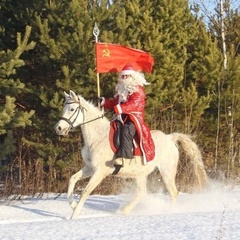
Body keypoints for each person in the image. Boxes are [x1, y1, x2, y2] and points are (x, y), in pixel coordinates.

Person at [100, 63, 155, 167]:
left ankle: (125, 157)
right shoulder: (122, 90)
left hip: (133, 117)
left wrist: (120, 108)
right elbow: (114, 103)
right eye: (123, 76)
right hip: (121, 116)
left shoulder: (137, 90)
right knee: (112, 128)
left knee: (127, 129)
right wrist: (104, 102)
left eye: (126, 76)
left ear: (132, 77)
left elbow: (134, 103)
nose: (124, 78)